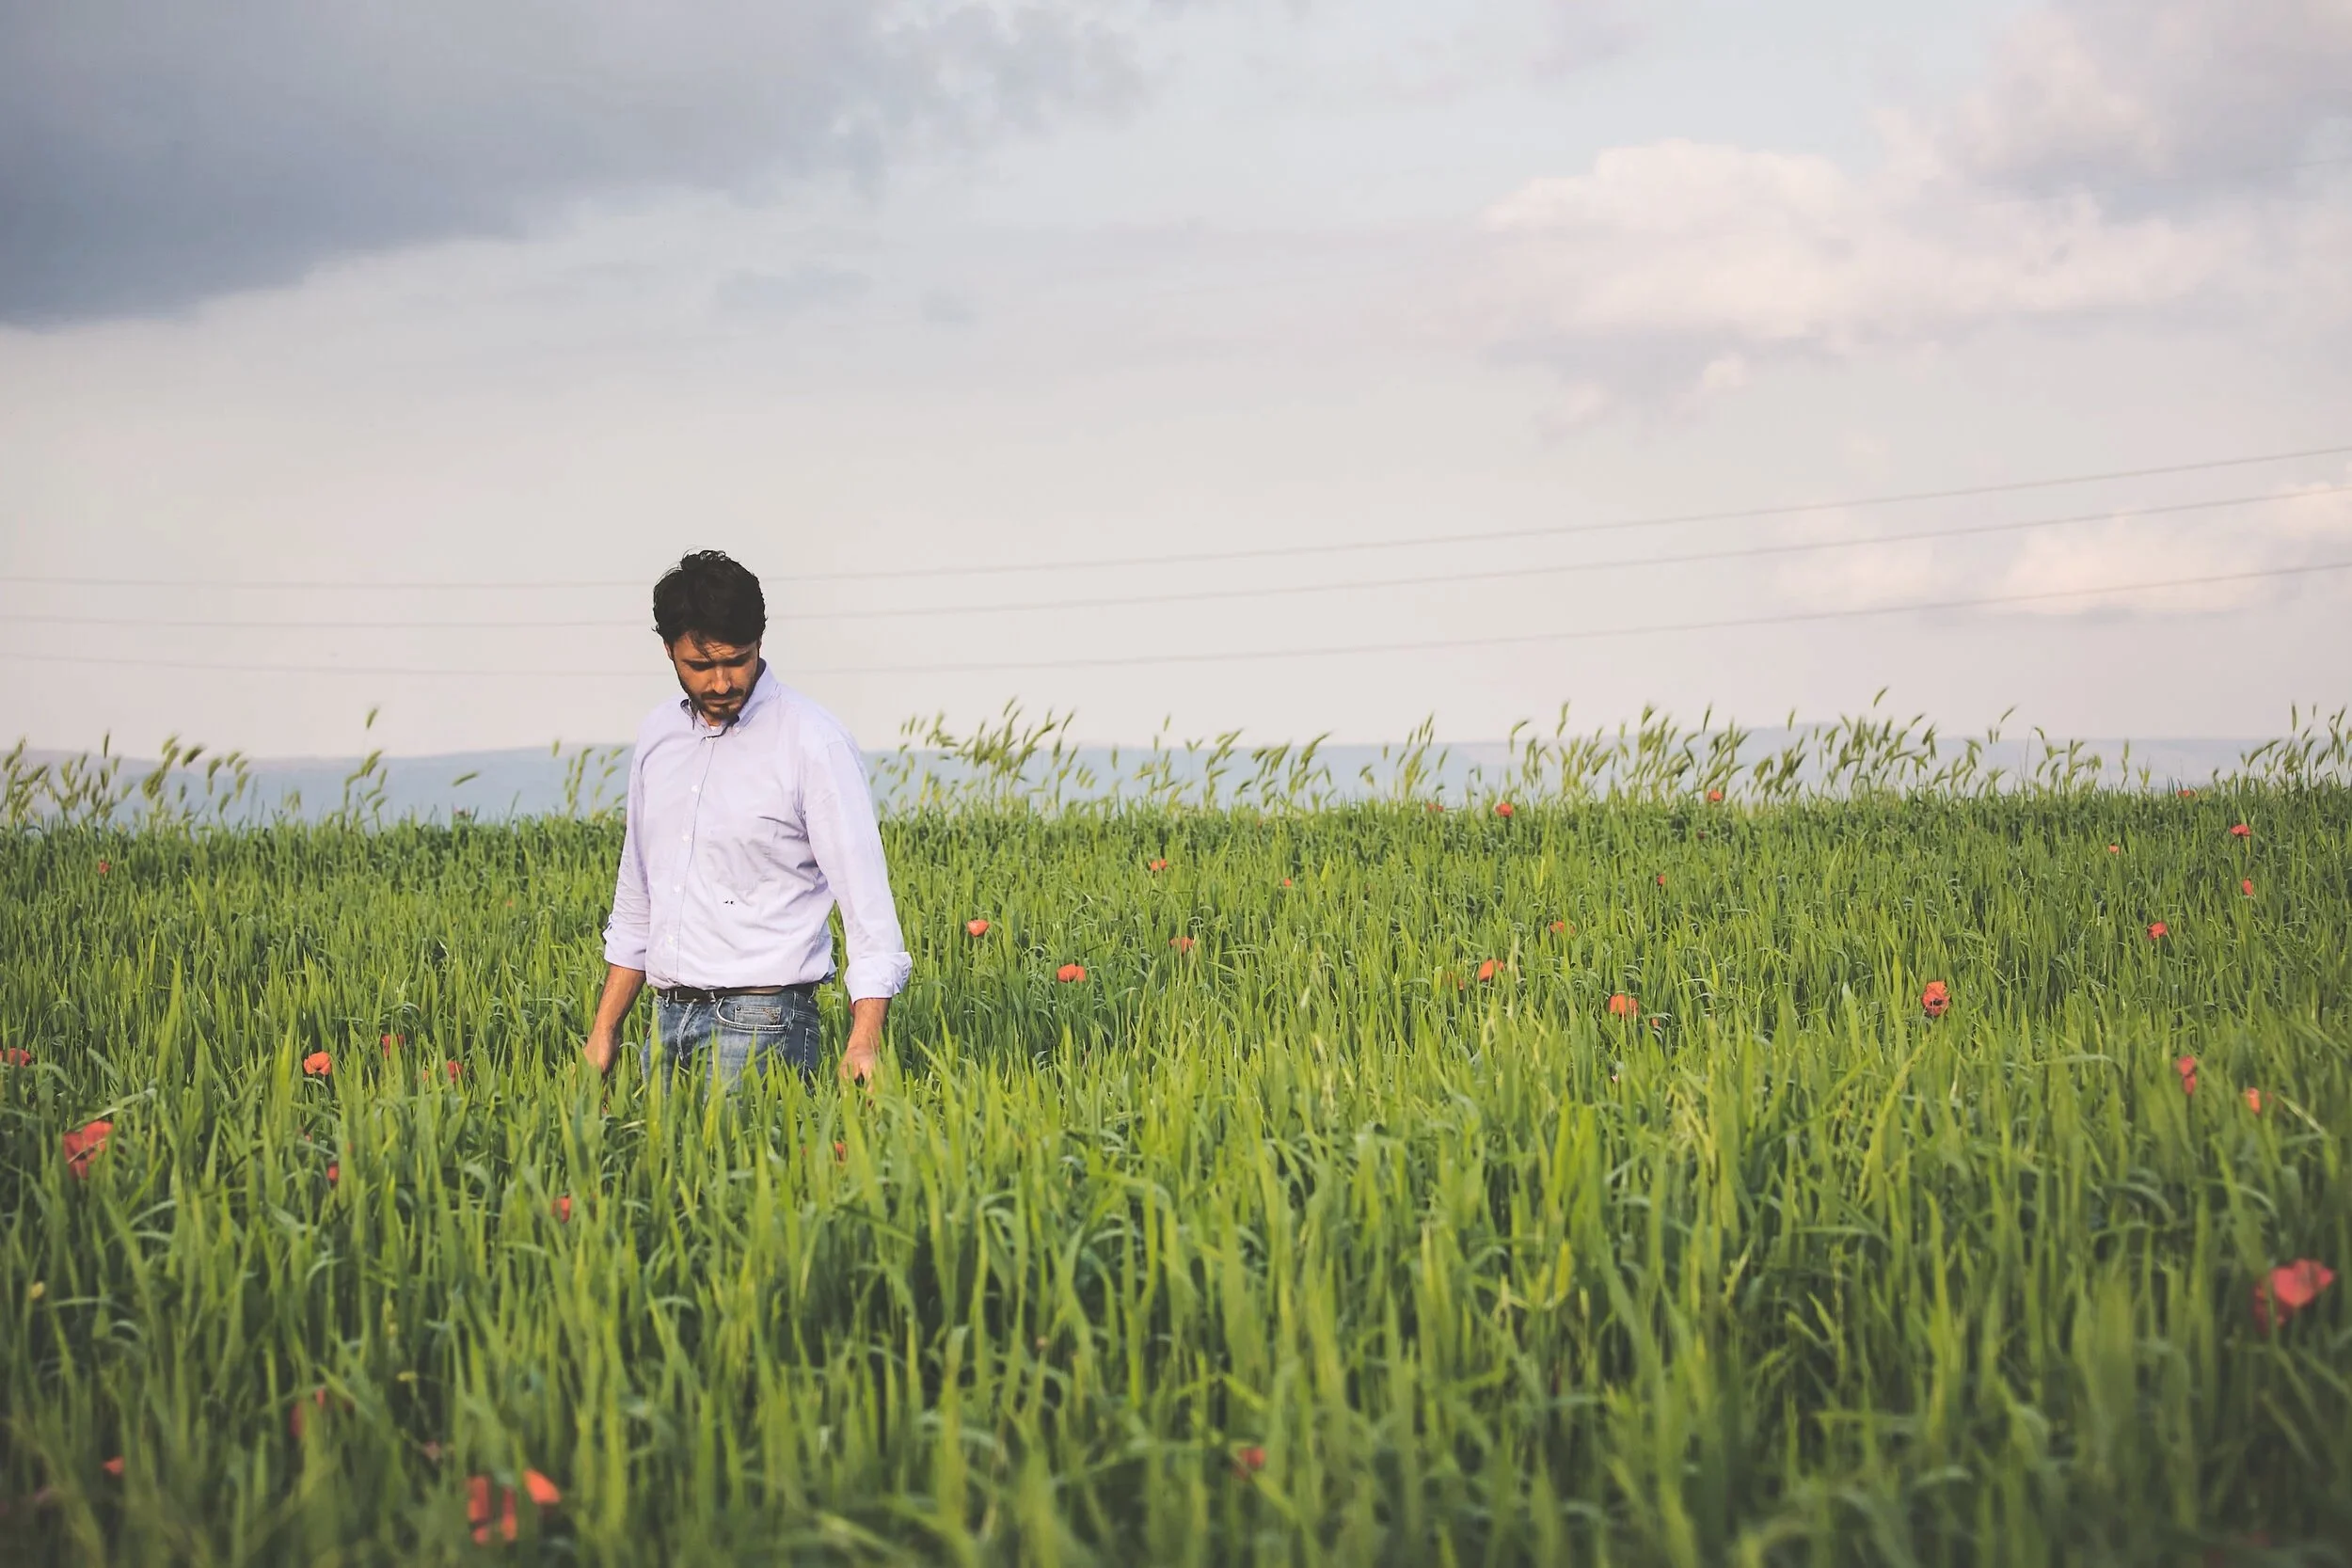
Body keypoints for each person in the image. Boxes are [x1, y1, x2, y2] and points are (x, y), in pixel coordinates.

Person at [581, 550, 911, 1087]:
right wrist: (605, 1031)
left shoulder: (812, 741)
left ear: (761, 640)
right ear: (668, 650)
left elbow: (868, 909)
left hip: (764, 1024)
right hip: (665, 1022)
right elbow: (639, 897)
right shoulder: (657, 739)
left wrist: (863, 1043)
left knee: (748, 1170)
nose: (720, 683)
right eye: (700, 665)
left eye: (736, 660)